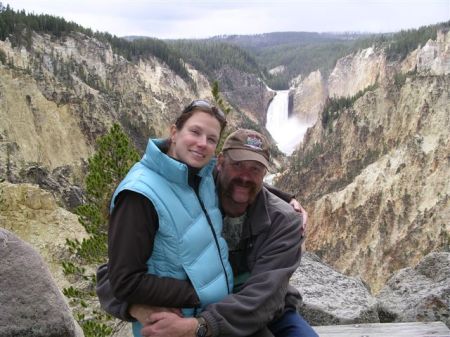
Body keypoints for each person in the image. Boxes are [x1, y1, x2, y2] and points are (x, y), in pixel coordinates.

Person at [98, 128, 318, 337]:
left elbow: (265, 298)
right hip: (194, 311)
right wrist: (134, 305)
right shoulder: (186, 198)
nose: (245, 176)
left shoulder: (284, 221)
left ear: (264, 175)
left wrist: (199, 327)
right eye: (238, 165)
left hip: (263, 312)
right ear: (220, 162)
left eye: (255, 169)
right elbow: (112, 275)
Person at [107, 99, 234, 337]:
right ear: (174, 132)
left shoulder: (202, 176)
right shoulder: (139, 194)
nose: (202, 144)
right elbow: (125, 280)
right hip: (171, 326)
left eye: (211, 139)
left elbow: (244, 181)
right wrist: (199, 293)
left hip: (206, 319)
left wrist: (288, 198)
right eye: (195, 132)